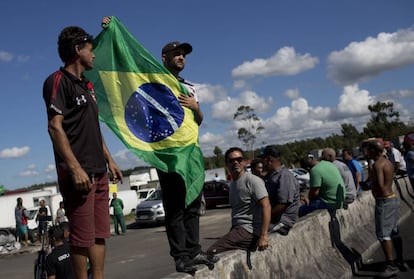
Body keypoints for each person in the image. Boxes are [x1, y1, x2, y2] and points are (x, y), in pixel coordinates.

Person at [43, 25, 123, 279]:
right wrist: (75, 168)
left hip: (99, 171)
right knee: (80, 237)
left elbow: (93, 128)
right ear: (78, 50)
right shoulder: (56, 81)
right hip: (78, 175)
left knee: (99, 234)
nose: (94, 55)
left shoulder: (87, 86)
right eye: (91, 50)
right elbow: (55, 128)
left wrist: (110, 160)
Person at [206, 147, 271, 256]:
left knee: (211, 252)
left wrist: (263, 236)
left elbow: (266, 206)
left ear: (245, 162)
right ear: (227, 164)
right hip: (238, 230)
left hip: (249, 231)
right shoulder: (233, 184)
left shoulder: (253, 181)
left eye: (239, 159)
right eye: (231, 160)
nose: (235, 162)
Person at [364, 140, 409, 277]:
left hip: (384, 201)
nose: (366, 152)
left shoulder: (378, 165)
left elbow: (381, 184)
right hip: (392, 198)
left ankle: (390, 265)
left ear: (373, 151)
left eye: (368, 150)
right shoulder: (387, 162)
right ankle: (400, 260)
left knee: (383, 234)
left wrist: (376, 188)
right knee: (394, 231)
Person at [259, 146, 299, 235]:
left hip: (282, 222)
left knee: (252, 234)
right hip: (274, 220)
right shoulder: (273, 175)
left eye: (262, 159)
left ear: (269, 159)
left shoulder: (284, 176)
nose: (261, 163)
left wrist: (265, 217)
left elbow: (283, 204)